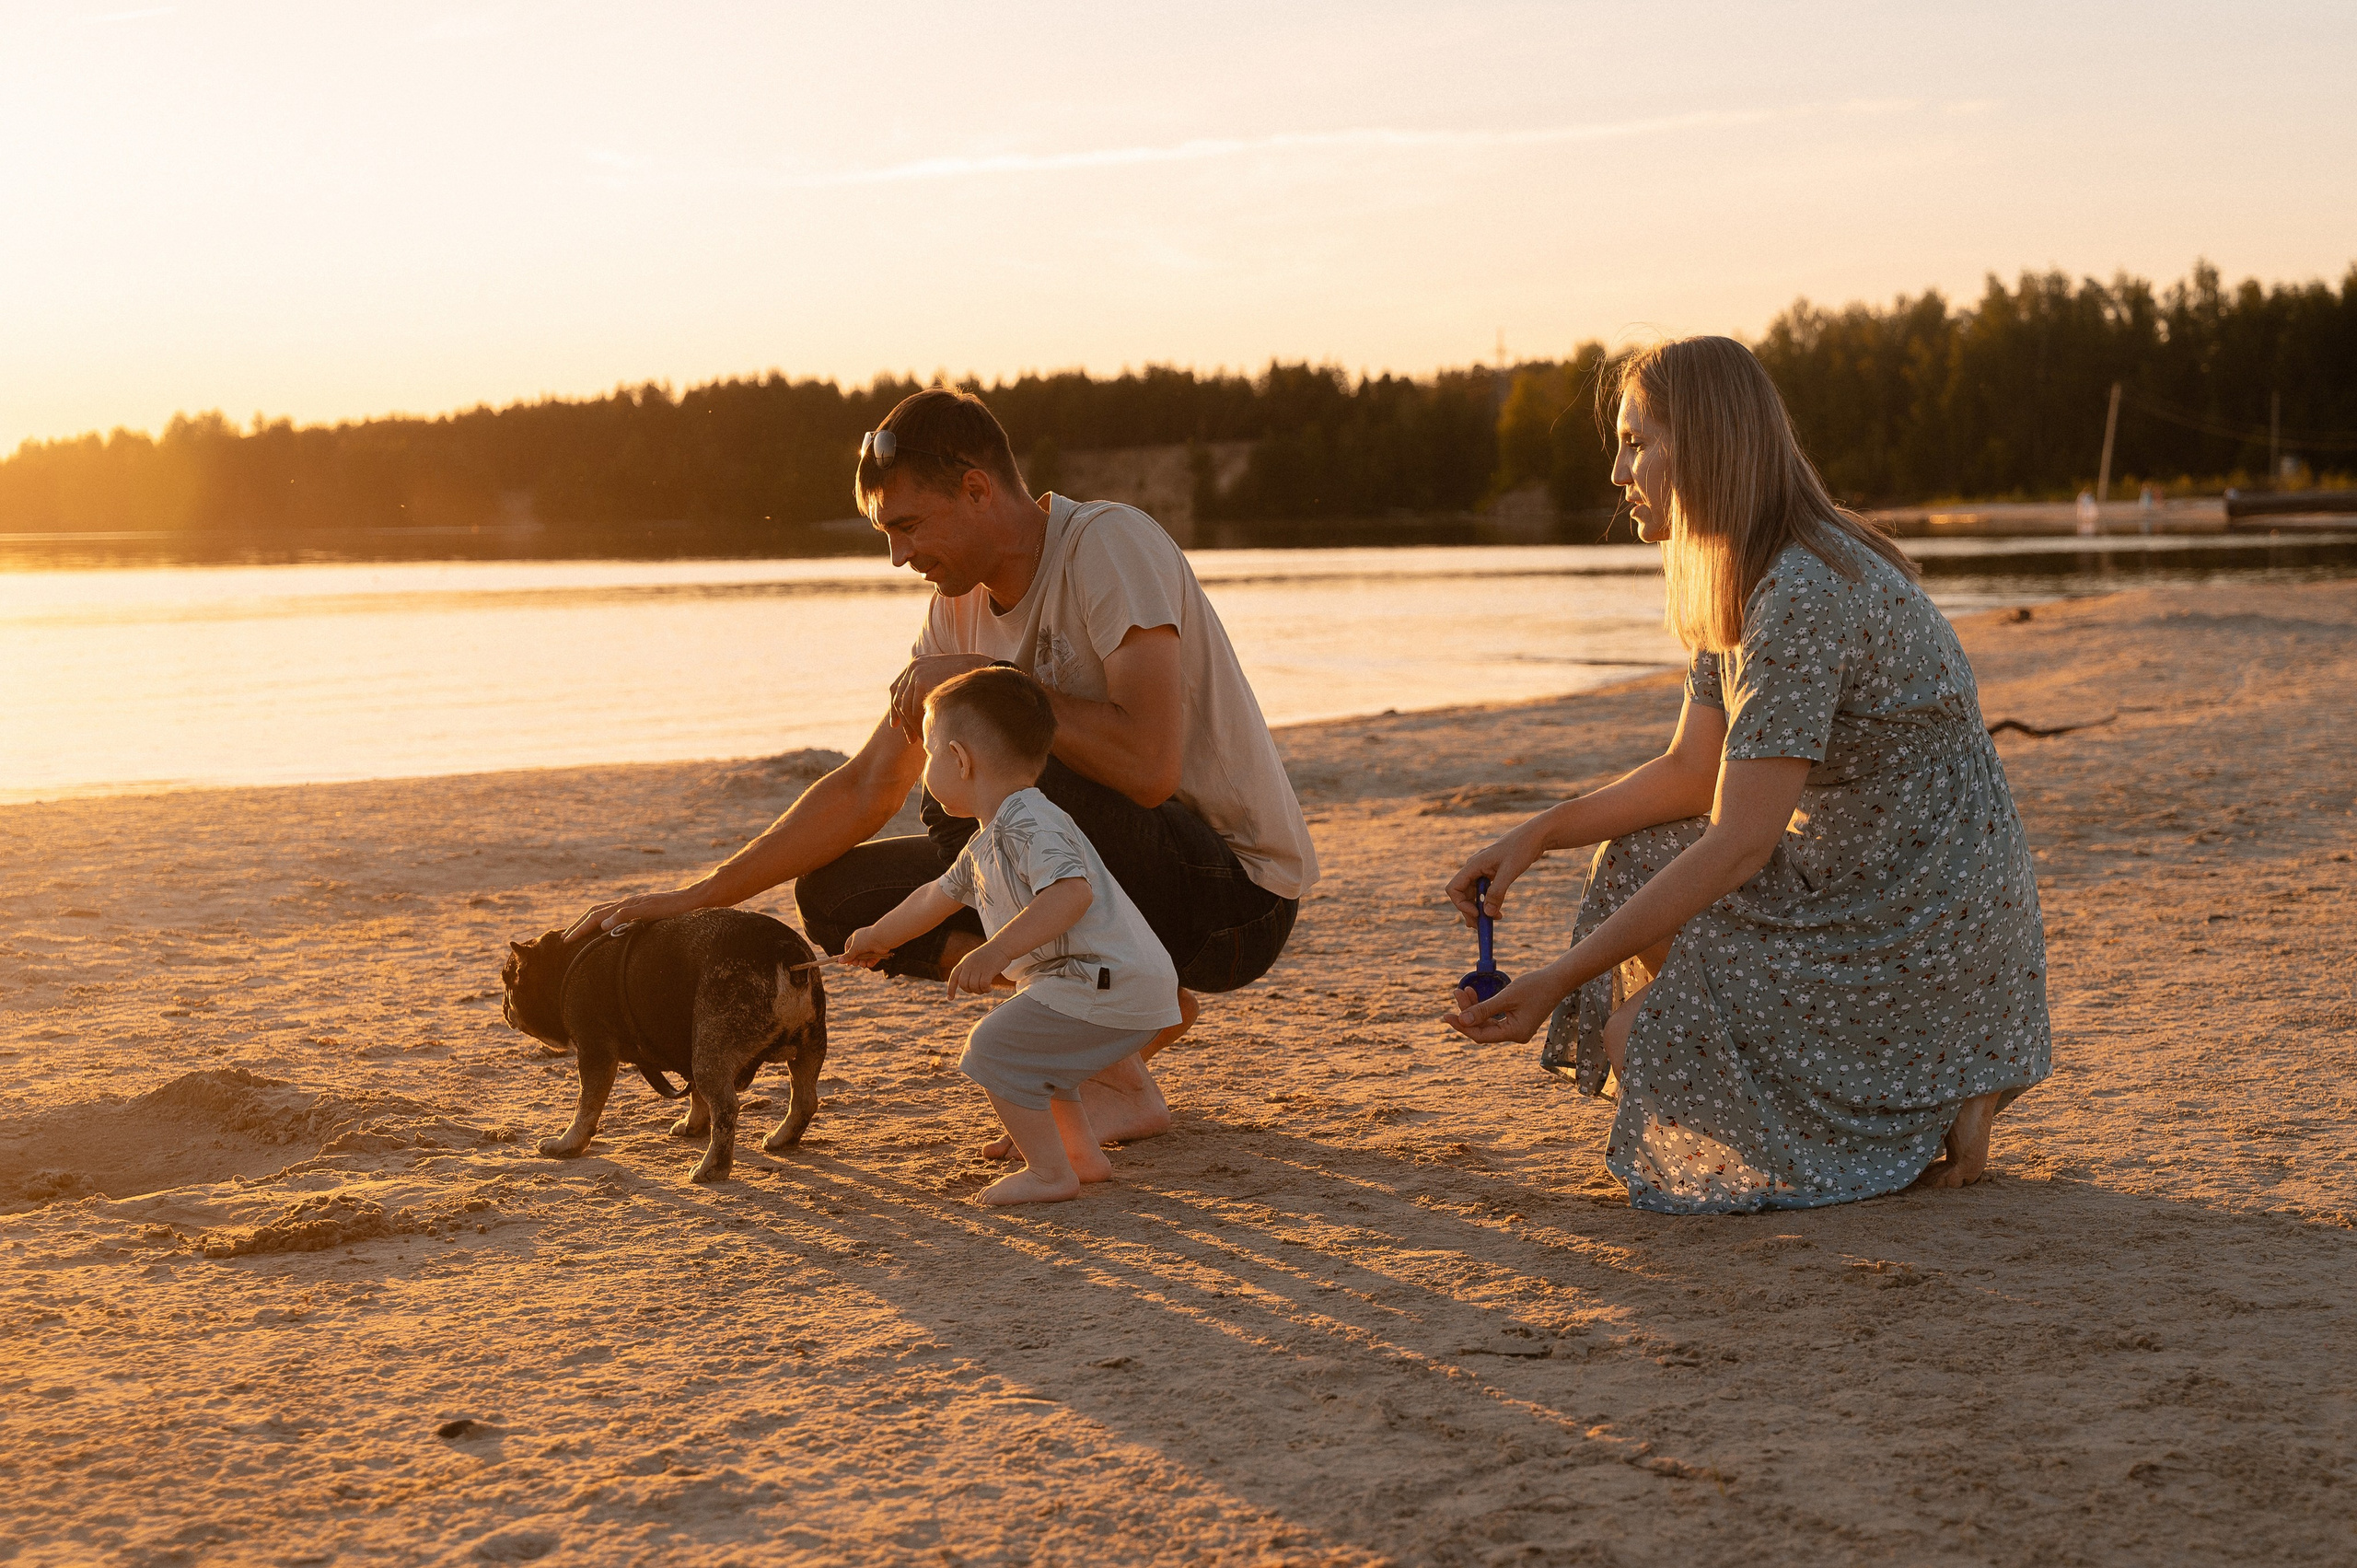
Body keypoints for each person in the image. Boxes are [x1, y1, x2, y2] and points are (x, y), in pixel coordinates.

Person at [568, 388, 1318, 1150]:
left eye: (907, 526)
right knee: (837, 897)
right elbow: (867, 787)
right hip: (1108, 878)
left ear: (976, 488)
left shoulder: (1108, 544)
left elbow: (1150, 766)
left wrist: (993, 681)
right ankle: (1116, 1041)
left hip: (1232, 897)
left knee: (985, 763)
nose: (899, 556)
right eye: (886, 534)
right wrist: (691, 897)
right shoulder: (956, 609)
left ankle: (1114, 1007)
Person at [1443, 336, 2050, 1214]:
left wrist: (1558, 979)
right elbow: (1693, 773)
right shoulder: (1742, 576)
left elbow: (1737, 842)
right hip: (1864, 874)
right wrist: (1533, 834)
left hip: (1920, 922)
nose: (1618, 470)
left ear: (1708, 447)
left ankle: (1925, 1095)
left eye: (1636, 442)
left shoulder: (1800, 589)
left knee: (1632, 1035)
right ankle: (1890, 1088)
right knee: (1631, 860)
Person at [840, 667, 1183, 1204]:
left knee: (994, 1048)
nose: (928, 767)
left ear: (959, 758)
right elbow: (936, 896)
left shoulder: (1032, 821)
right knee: (1040, 1061)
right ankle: (1079, 1158)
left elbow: (1071, 894)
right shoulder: (990, 838)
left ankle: (1050, 1174)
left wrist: (995, 950)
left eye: (929, 752)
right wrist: (879, 935)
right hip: (1104, 982)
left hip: (1108, 979)